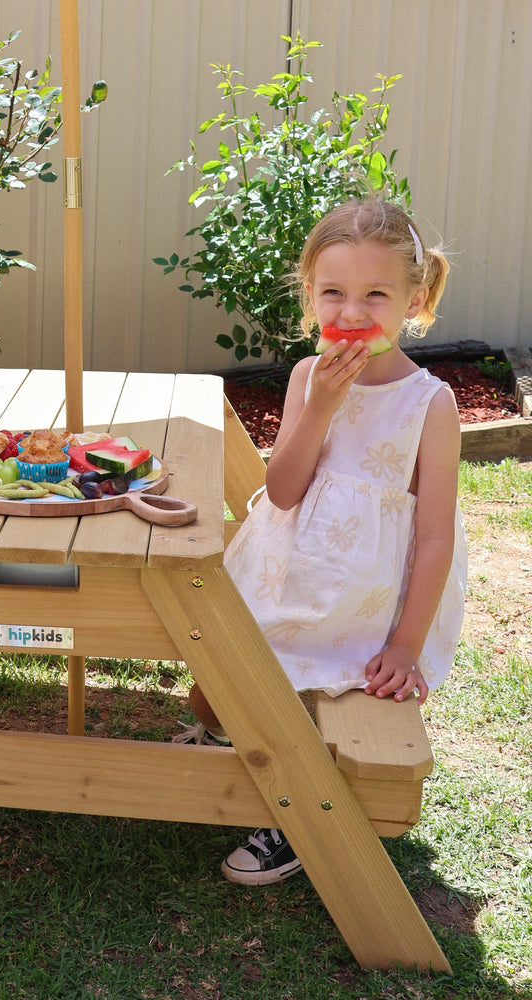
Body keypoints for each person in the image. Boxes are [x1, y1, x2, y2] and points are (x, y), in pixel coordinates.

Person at [188, 200, 466, 885]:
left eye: (376, 294)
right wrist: (318, 410)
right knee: (216, 680)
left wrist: (403, 644)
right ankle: (227, 732)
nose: (351, 312)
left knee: (306, 694)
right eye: (334, 292)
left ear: (416, 299)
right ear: (310, 298)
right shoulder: (308, 378)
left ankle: (295, 816)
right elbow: (281, 490)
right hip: (284, 567)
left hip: (365, 597)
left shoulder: (430, 403)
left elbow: (433, 539)